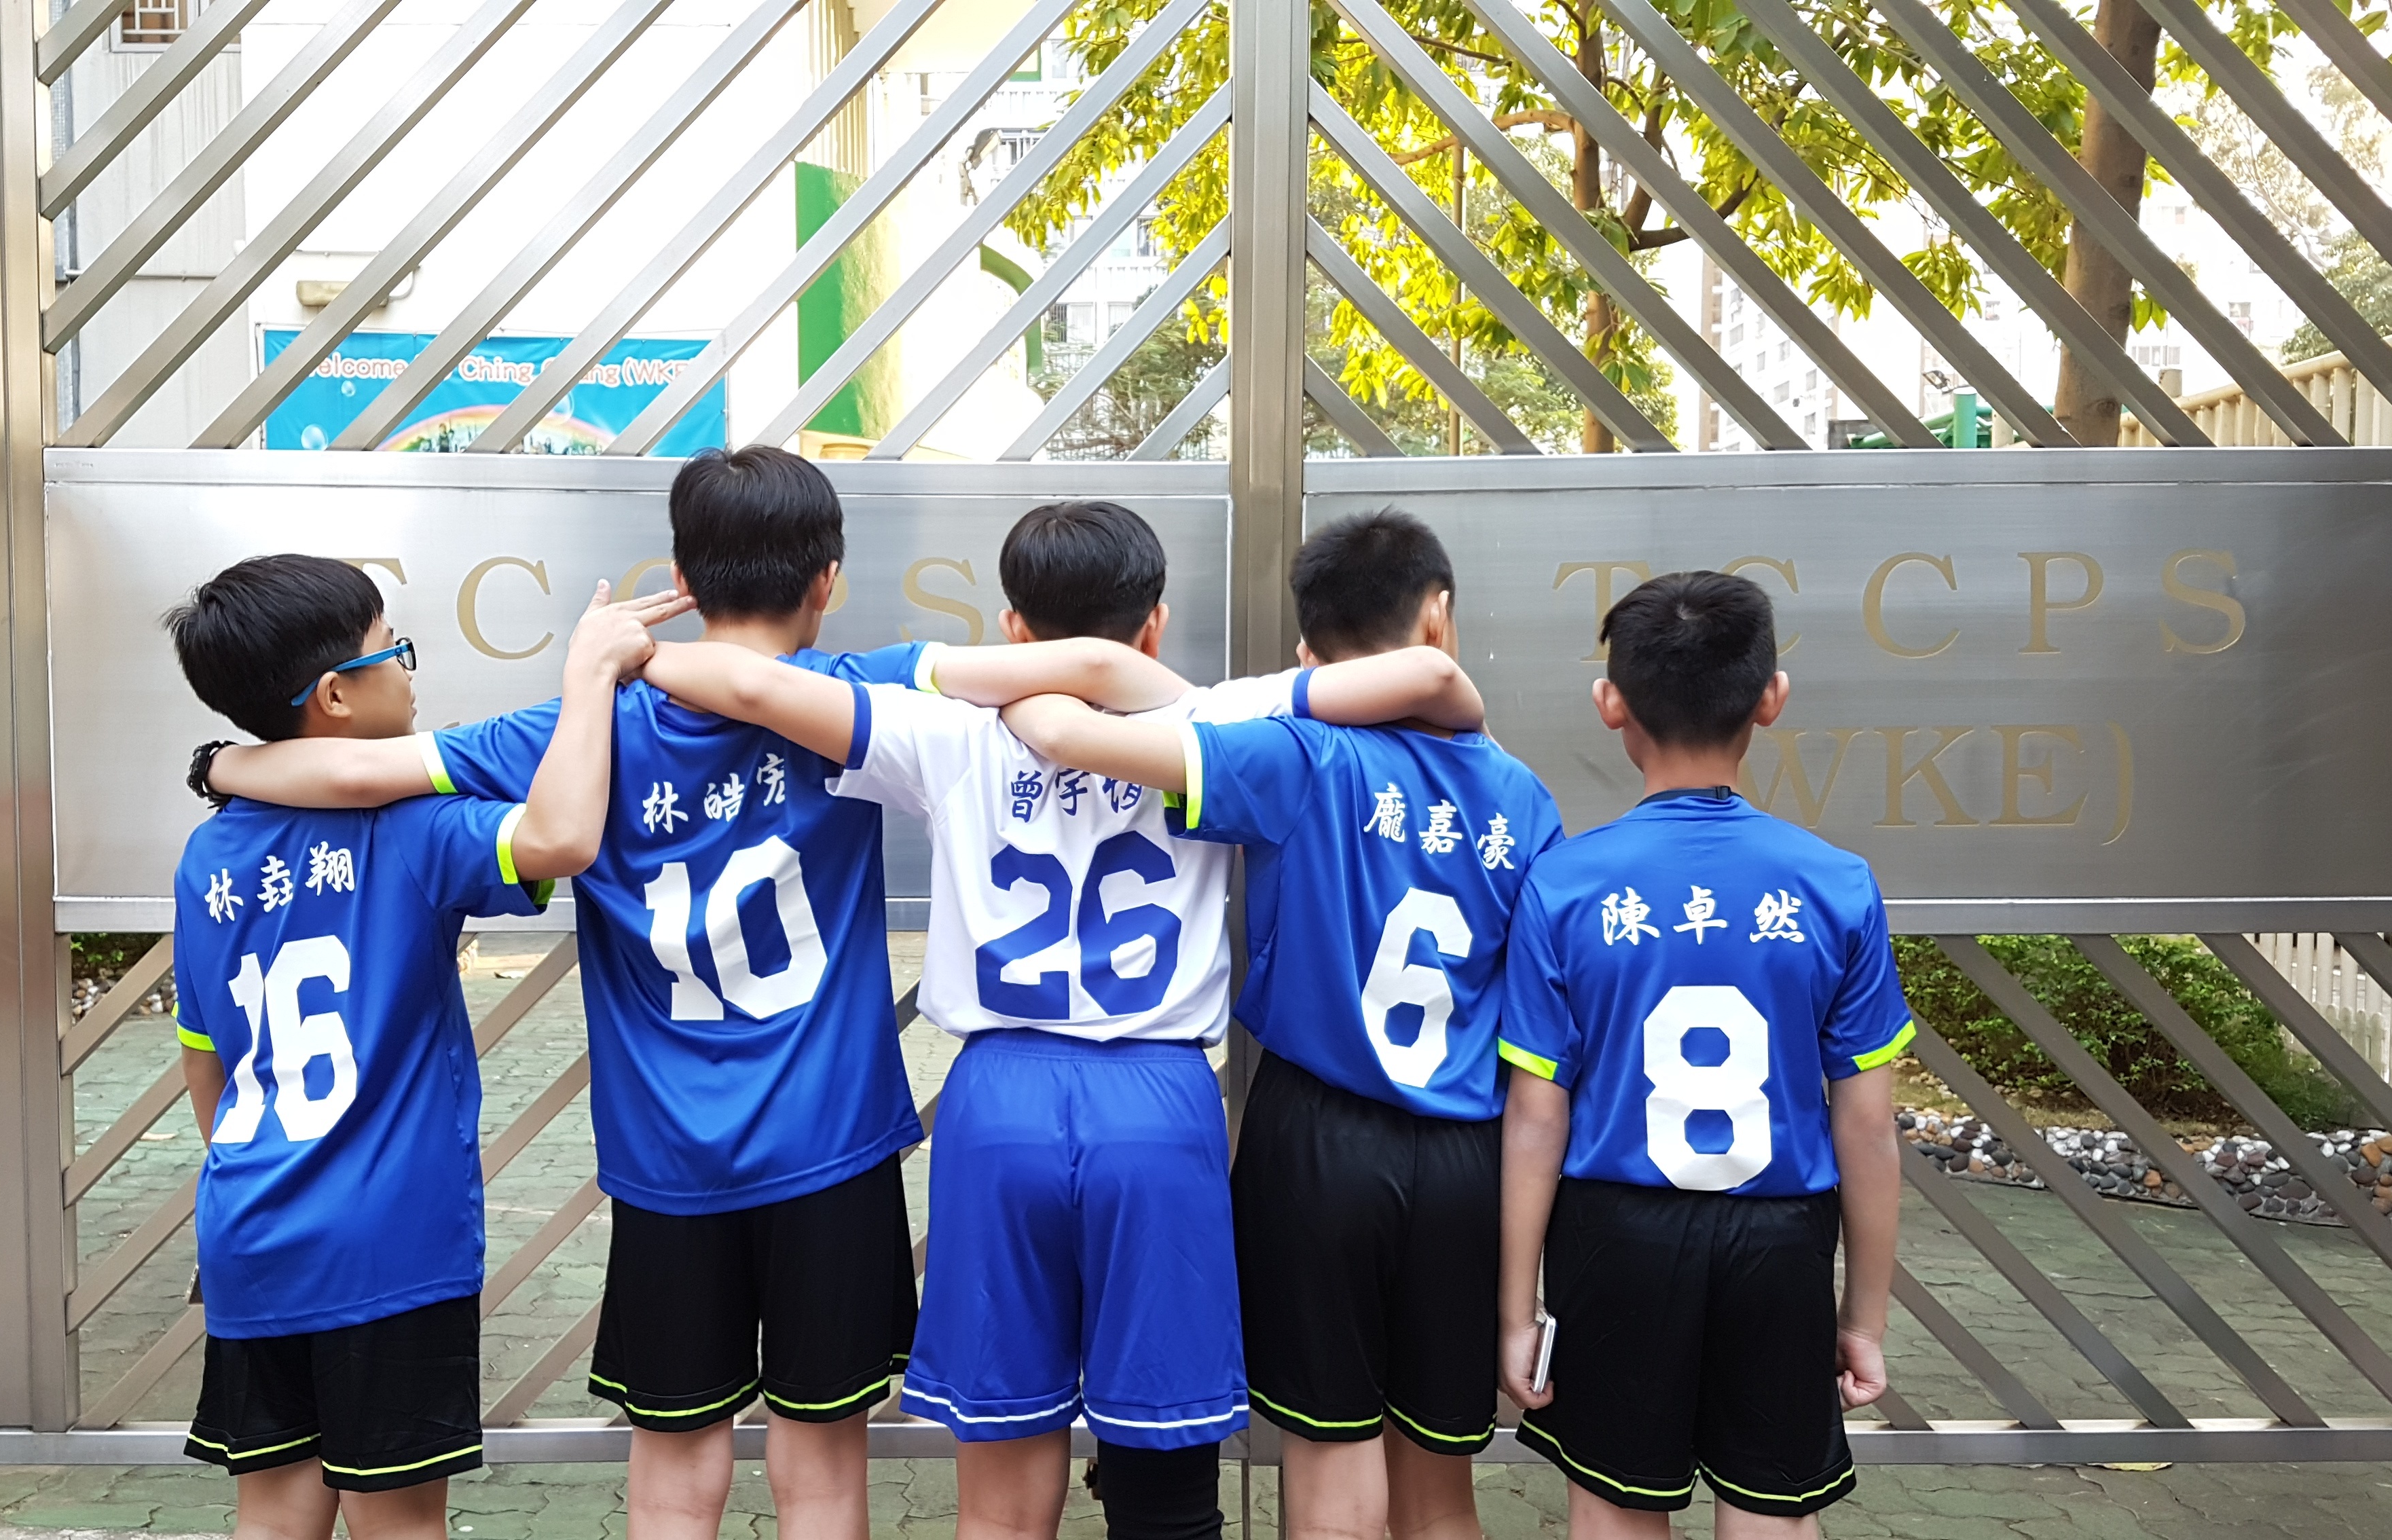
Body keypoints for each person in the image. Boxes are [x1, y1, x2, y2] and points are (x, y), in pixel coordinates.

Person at [200, 450, 1190, 1540]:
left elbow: (349, 773)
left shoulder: (577, 727)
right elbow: (1076, 670)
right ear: (828, 580)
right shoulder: (852, 694)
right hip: (830, 1146)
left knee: (674, 1469)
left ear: (680, 575)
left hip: (666, 1160)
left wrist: (224, 768)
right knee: (822, 1466)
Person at [637, 500, 1486, 1540]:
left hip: (998, 1107)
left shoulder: (946, 732)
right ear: (1155, 623)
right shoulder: (1222, 717)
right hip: (1159, 1106)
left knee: (1001, 1497)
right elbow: (1427, 681)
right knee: (1166, 1485)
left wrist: (633, 655)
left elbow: (754, 686)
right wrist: (1122, 686)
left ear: (1011, 627)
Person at [997, 509, 1565, 1540]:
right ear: (1438, 618)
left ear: (1308, 651)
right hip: (1464, 1154)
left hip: (1316, 1140)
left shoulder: (1294, 755)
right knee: (1441, 1489)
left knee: (1331, 1460)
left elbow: (1090, 736)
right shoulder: (1524, 799)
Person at [165, 555, 651, 1540]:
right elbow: (562, 836)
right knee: (399, 1521)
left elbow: (205, 1057)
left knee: (275, 1513)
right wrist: (593, 674)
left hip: (249, 1227)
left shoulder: (207, 855)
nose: (409, 672)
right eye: (395, 650)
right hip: (388, 1243)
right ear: (336, 695)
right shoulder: (417, 831)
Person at [1495, 570, 1907, 1539]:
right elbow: (1868, 1126)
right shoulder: (1838, 885)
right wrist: (1863, 1319)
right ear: (1772, 697)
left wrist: (1517, 1312)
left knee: (1615, 1507)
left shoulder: (1563, 884)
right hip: (1780, 1239)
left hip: (1616, 1235)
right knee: (1771, 1509)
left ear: (1611, 704)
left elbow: (1536, 1117)